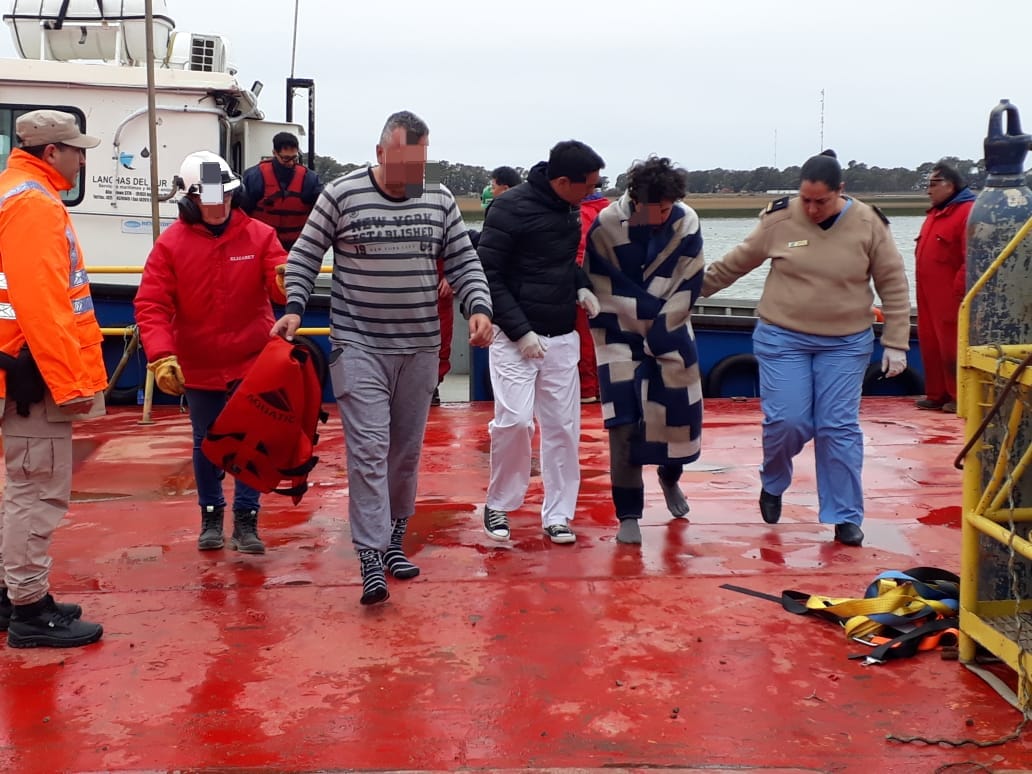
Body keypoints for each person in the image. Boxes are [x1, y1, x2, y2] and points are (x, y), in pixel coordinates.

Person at [272, 110, 493, 606]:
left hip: (418, 347)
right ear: (378, 153)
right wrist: (293, 309)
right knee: (369, 451)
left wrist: (478, 306)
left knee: (404, 453)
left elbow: (463, 260)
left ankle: (395, 538)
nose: (408, 176)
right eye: (400, 163)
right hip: (359, 344)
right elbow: (305, 255)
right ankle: (370, 556)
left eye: (418, 163)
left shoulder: (438, 201)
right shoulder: (342, 194)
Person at [701, 150, 910, 547]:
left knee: (837, 427)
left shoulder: (868, 223)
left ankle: (844, 515)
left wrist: (896, 343)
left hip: (846, 342)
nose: (812, 209)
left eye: (821, 201)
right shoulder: (779, 219)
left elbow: (893, 283)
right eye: (806, 199)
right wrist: (679, 295)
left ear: (840, 192)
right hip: (784, 336)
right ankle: (774, 480)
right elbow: (732, 266)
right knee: (788, 422)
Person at [134, 151, 287, 555]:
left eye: (225, 198)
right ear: (189, 202)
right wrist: (161, 355)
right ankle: (211, 515)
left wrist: (289, 279)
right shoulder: (170, 245)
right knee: (206, 442)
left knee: (252, 439)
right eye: (209, 200)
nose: (219, 207)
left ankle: (247, 521)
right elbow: (151, 305)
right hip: (198, 364)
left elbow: (279, 281)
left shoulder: (260, 236)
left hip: (252, 358)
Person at [0, 109, 107, 648]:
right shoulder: (36, 205)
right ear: (51, 153)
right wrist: (66, 385)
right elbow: (42, 304)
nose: (82, 157)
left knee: (20, 487)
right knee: (36, 490)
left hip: (19, 367)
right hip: (33, 377)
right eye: (76, 149)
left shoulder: (13, 191)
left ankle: (10, 593)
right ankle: (29, 609)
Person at [478, 140, 605, 545]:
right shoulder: (509, 208)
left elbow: (560, 263)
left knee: (563, 429)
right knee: (514, 422)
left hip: (561, 335)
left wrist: (580, 286)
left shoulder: (568, 208)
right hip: (514, 338)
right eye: (586, 188)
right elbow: (489, 275)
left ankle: (558, 513)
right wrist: (520, 331)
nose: (590, 196)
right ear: (563, 181)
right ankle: (499, 502)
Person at [584, 156, 704, 545]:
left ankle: (670, 477)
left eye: (669, 207)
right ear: (636, 200)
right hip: (617, 335)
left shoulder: (686, 222)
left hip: (671, 332)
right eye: (658, 208)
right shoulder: (605, 227)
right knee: (622, 423)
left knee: (678, 416)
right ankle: (628, 512)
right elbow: (604, 287)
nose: (664, 214)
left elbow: (688, 283)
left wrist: (660, 329)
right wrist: (641, 322)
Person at [914, 161, 975, 414]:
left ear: (950, 185)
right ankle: (936, 393)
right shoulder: (936, 214)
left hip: (950, 294)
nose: (929, 190)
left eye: (933, 184)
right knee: (929, 341)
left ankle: (958, 395)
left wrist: (959, 290)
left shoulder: (967, 212)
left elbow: (970, 256)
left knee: (951, 343)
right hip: (928, 292)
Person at [240, 131, 323, 251]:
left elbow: (323, 213)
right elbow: (240, 214)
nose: (291, 163)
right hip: (261, 246)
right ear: (274, 153)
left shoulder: (310, 179)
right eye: (286, 158)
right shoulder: (254, 176)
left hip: (297, 248)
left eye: (294, 158)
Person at [576, 182, 609, 403]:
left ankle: (587, 390)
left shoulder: (579, 213)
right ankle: (602, 388)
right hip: (609, 287)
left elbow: (578, 254)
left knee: (583, 338)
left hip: (584, 286)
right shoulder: (610, 211)